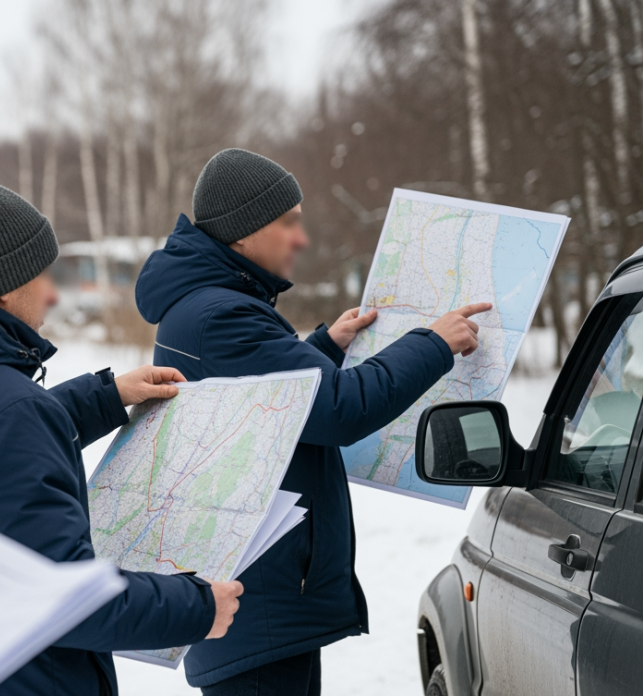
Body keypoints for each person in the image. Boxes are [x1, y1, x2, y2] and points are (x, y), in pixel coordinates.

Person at [0, 181, 245, 696]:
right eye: (44, 275)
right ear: (6, 286)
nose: (54, 293)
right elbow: (65, 599)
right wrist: (197, 606)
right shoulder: (10, 415)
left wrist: (102, 397)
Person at [134, 149, 489, 695]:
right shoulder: (224, 314)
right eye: (289, 223)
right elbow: (340, 409)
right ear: (245, 230)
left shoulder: (206, 304)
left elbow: (260, 397)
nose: (301, 238)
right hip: (259, 605)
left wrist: (322, 347)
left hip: (255, 598)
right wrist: (434, 343)